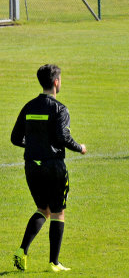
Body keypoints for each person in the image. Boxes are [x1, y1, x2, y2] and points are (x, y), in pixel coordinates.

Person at [11, 64, 87, 272]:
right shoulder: (60, 108)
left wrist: (35, 144)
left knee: (42, 209)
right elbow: (63, 138)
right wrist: (80, 148)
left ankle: (22, 250)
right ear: (56, 82)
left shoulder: (29, 107)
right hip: (53, 166)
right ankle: (54, 262)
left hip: (31, 167)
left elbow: (15, 138)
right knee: (57, 212)